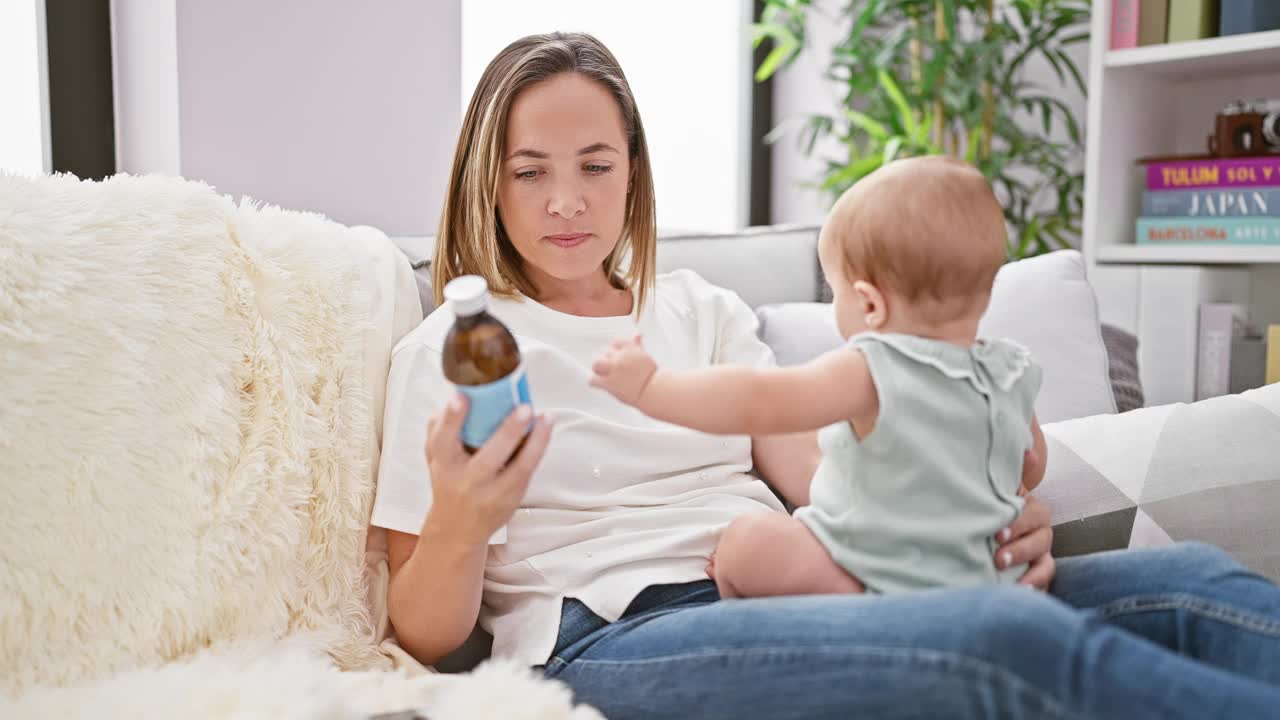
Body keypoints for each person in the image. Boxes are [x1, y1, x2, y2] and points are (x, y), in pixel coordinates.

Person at [371, 31, 1280, 720]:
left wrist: (969, 513)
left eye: (595, 165)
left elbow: (820, 473)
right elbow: (425, 633)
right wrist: (461, 520)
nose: (565, 200)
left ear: (634, 172)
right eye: (530, 172)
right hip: (613, 632)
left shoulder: (699, 308)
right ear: (489, 181)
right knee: (1004, 643)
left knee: (1188, 584)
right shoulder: (456, 352)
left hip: (813, 572)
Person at [590, 155, 1049, 599]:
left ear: (870, 304)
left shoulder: (871, 366)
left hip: (880, 578)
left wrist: (652, 388)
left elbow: (759, 402)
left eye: (836, 292)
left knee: (746, 541)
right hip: (986, 577)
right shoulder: (1011, 371)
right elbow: (1031, 466)